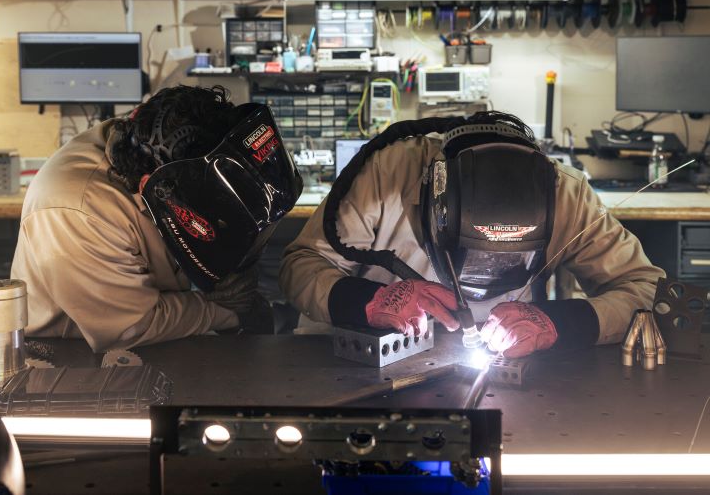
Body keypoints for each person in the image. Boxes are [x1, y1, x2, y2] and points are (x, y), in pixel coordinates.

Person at [279, 112, 664, 358]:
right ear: (436, 194)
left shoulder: (566, 193)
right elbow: (302, 265)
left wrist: (560, 323)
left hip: (505, 364)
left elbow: (642, 289)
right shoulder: (390, 173)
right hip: (362, 357)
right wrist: (367, 301)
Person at [12, 85, 302, 352]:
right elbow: (127, 327)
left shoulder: (159, 147)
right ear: (151, 186)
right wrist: (230, 311)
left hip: (164, 335)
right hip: (72, 356)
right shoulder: (77, 208)